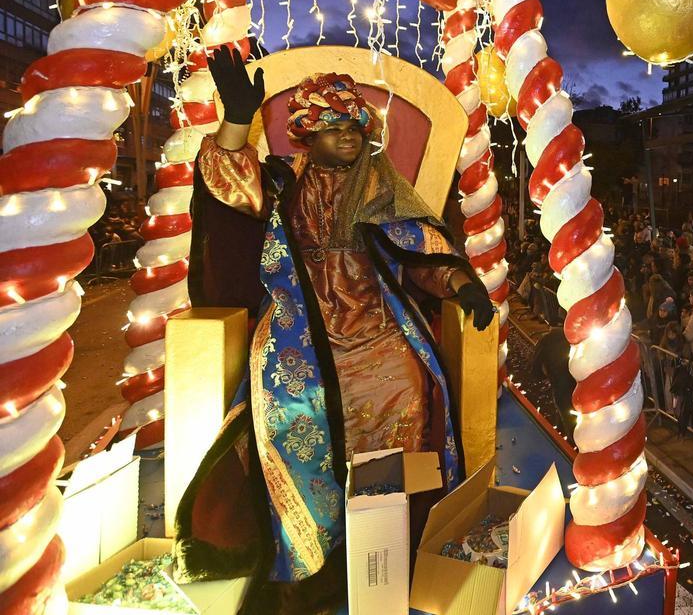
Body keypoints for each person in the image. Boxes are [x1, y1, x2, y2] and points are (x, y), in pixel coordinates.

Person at [174, 48, 496, 608]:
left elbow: (423, 248)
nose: (346, 134)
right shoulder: (279, 182)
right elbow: (229, 190)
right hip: (300, 322)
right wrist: (235, 123)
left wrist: (461, 285)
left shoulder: (381, 186)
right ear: (305, 133)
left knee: (409, 384)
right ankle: (308, 555)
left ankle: (389, 536)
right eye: (332, 125)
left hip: (376, 322)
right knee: (294, 402)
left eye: (353, 124)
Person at [531, 328, 576, 439]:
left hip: (561, 384)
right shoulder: (575, 336)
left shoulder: (546, 340)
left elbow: (536, 368)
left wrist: (543, 374)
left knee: (567, 414)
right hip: (578, 380)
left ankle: (568, 443)